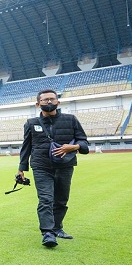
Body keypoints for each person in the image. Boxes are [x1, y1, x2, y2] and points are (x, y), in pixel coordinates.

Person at [18, 89, 89, 248]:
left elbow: (84, 143)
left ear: (58, 102)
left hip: (65, 166)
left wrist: (73, 147)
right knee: (45, 199)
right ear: (38, 104)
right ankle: (48, 233)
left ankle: (57, 228)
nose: (49, 102)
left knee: (61, 200)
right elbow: (26, 147)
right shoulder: (31, 123)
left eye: (52, 99)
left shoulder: (71, 120)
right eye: (45, 100)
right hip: (41, 166)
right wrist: (21, 168)